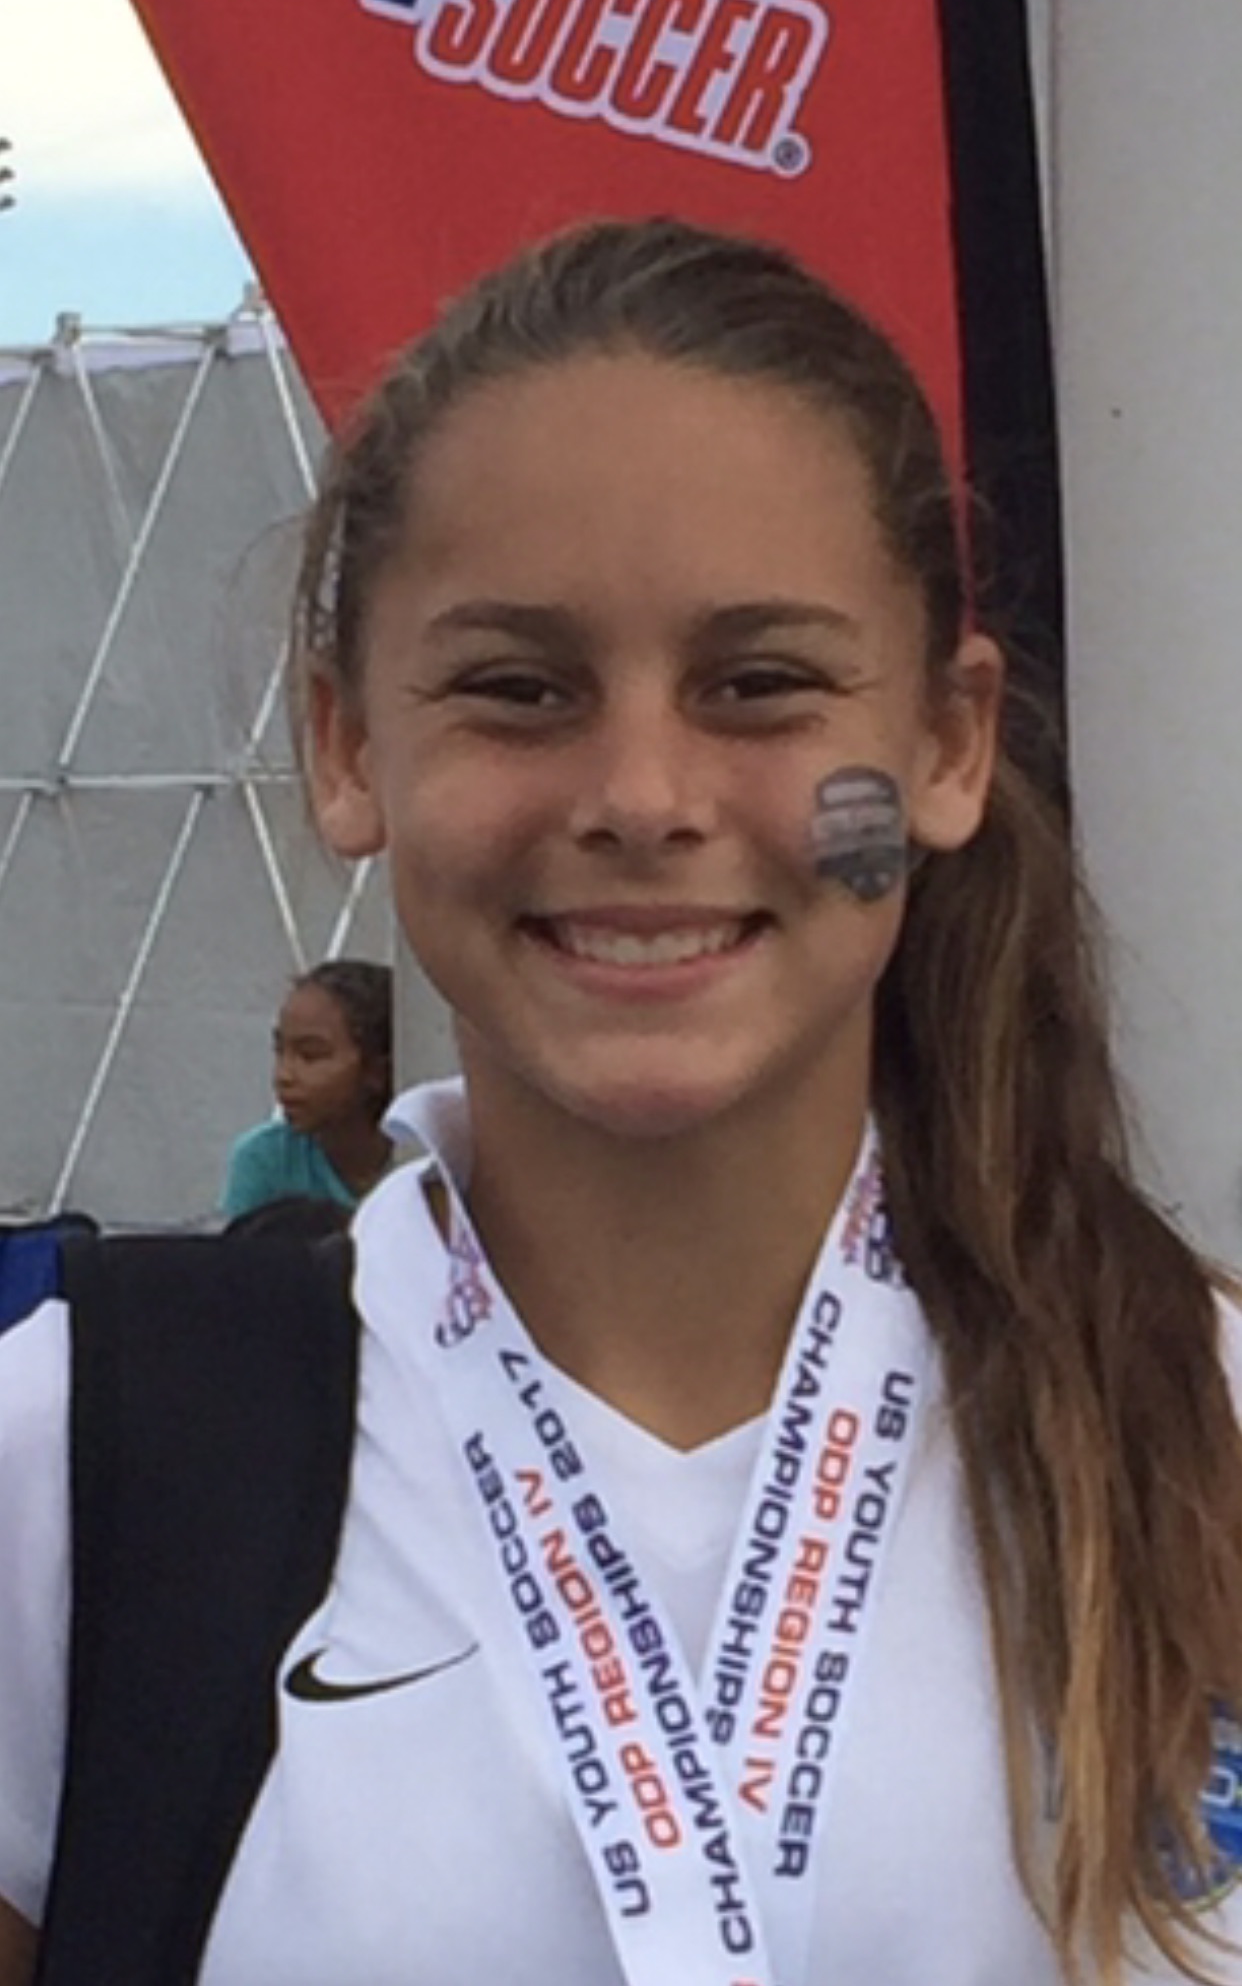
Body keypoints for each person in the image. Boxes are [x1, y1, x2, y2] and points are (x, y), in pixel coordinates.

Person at [2, 217, 1242, 1986]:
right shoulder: (71, 1464)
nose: (644, 793)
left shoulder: (1202, 1422)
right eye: (518, 690)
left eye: (760, 684)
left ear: (948, 744)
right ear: (348, 745)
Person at [220, 958, 394, 1219]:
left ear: (376, 1071)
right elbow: (240, 1244)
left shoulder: (427, 1157)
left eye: (310, 1055)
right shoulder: (265, 1159)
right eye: (279, 1051)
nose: (283, 1076)